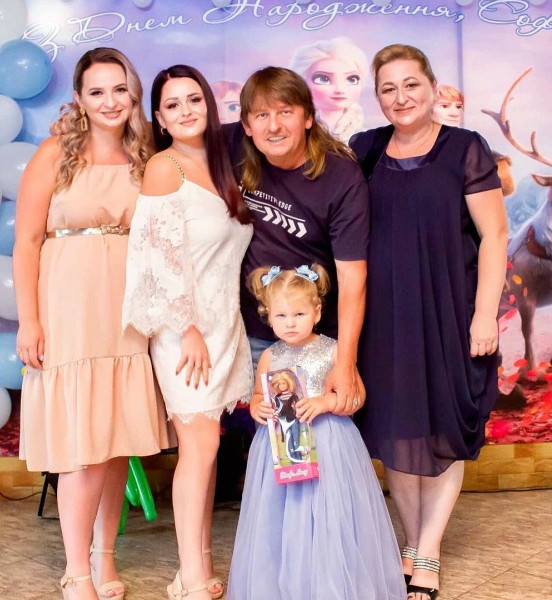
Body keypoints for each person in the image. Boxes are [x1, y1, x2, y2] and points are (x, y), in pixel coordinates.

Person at [349, 44, 508, 600]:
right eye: (388, 88)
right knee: (398, 431)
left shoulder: (465, 148)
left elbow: (494, 236)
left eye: (411, 84)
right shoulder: (364, 149)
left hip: (450, 314)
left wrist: (484, 315)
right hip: (384, 321)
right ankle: (412, 543)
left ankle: (429, 552)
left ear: (432, 87)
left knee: (443, 429)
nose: (401, 97)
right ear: (377, 96)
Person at [14, 48, 171, 600]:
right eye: (97, 91)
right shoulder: (55, 152)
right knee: (82, 445)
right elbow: (26, 241)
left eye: (120, 89)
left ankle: (105, 560)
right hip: (68, 307)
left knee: (116, 439)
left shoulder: (147, 155)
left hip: (127, 309)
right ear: (80, 98)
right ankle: (75, 569)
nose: (110, 101)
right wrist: (29, 320)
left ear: (134, 93)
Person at [122, 64, 253, 600]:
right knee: (197, 447)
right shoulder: (163, 167)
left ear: (208, 105)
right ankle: (189, 575)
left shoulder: (224, 164)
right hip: (184, 332)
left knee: (208, 446)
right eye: (172, 104)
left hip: (224, 324)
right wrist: (188, 329)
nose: (185, 111)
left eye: (193, 99)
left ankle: (197, 565)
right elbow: (157, 260)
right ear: (159, 117)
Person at [227, 264, 407, 600]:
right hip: (283, 449)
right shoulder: (269, 356)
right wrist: (258, 408)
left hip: (329, 446)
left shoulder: (334, 351)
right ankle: (290, 586)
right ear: (268, 316)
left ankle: (332, 584)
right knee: (285, 517)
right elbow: (258, 396)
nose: (290, 323)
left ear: (317, 312)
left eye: (299, 314)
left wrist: (325, 402)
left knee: (329, 514)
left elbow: (357, 397)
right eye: (281, 315)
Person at [223, 66, 369, 417]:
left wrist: (345, 362)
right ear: (246, 125)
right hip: (254, 334)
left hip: (316, 339)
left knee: (320, 433)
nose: (273, 126)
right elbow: (176, 134)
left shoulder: (340, 176)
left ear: (308, 118)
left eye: (285, 112)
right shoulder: (232, 145)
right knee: (270, 439)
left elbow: (353, 278)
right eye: (262, 115)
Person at [290, 37, 368, 142]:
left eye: (351, 79)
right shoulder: (296, 134)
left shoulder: (366, 139)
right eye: (323, 79)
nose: (339, 89)